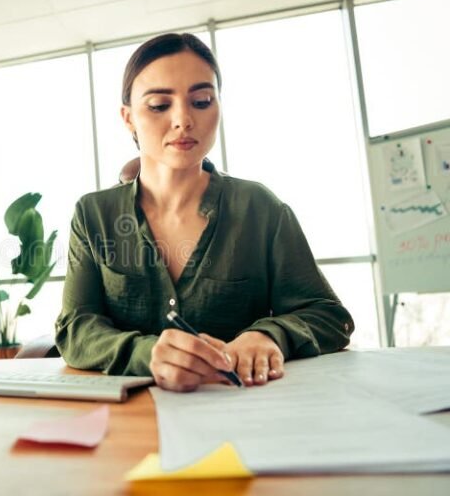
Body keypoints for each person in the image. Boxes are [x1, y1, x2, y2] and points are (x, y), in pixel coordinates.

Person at [55, 33, 354, 392]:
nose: (183, 119)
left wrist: (270, 334)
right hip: (133, 413)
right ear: (128, 118)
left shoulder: (260, 208)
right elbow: (75, 327)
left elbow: (329, 315)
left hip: (242, 407)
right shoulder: (93, 214)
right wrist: (146, 354)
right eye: (159, 105)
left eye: (201, 101)